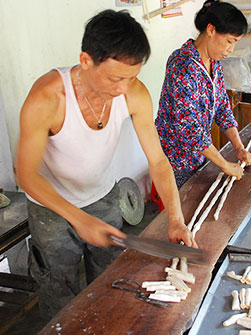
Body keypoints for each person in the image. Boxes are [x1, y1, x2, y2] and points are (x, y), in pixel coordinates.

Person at [15, 10, 196, 317]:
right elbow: (26, 174)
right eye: (115, 78)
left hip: (103, 197)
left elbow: (158, 161)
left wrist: (175, 219)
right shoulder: (48, 97)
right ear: (86, 61)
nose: (123, 88)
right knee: (59, 290)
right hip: (52, 208)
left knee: (113, 280)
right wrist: (78, 218)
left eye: (132, 77)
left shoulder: (133, 93)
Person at [155, 0, 251, 189]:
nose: (231, 49)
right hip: (176, 160)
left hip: (199, 155)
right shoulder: (182, 65)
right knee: (185, 210)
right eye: (229, 41)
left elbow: (222, 108)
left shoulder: (213, 63)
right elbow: (190, 128)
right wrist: (224, 165)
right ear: (211, 30)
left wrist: (238, 147)